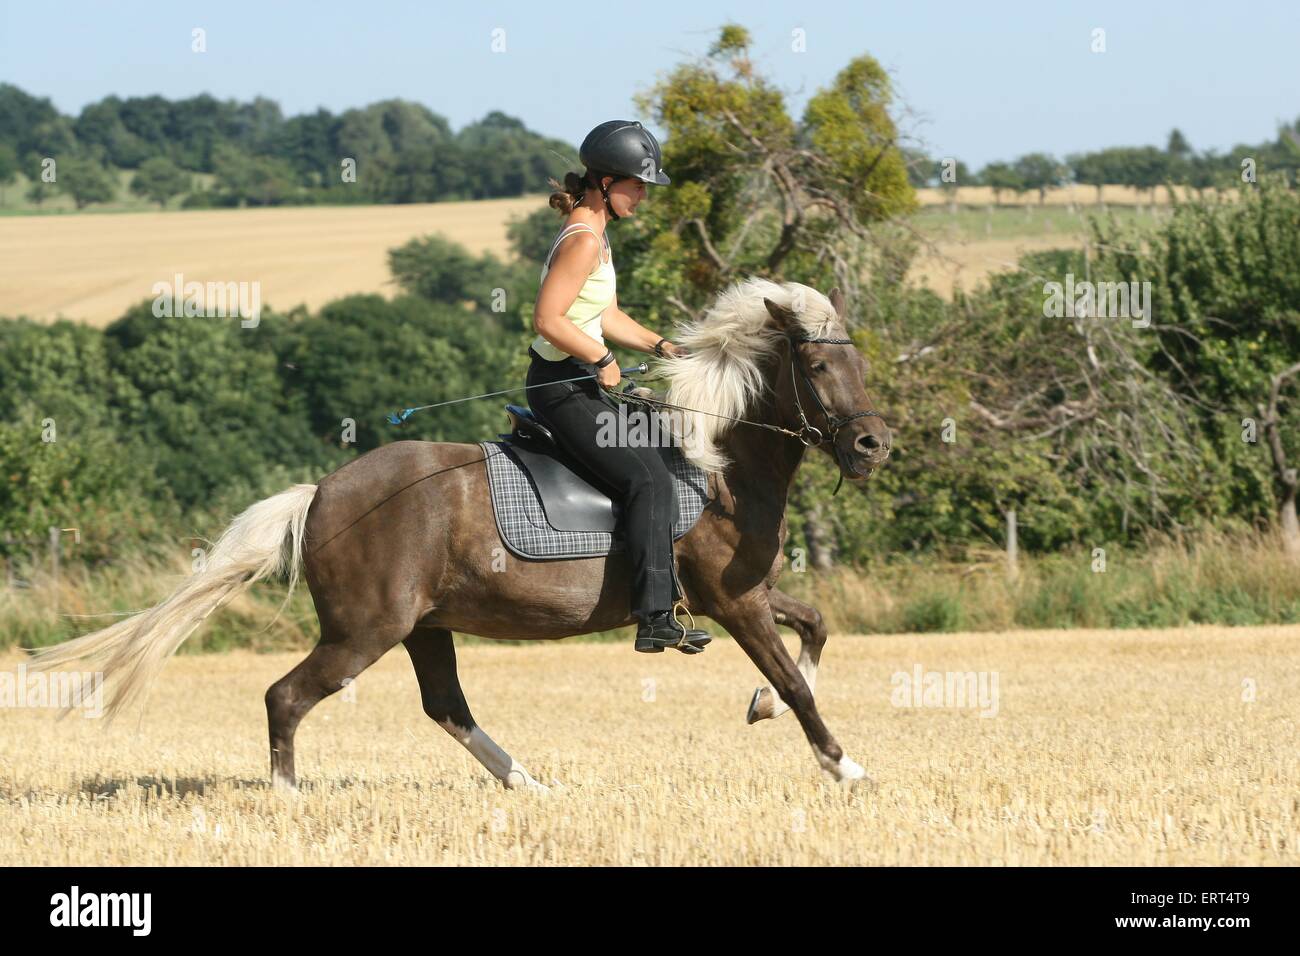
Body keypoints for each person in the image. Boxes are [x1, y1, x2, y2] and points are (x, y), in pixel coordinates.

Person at [526, 120, 710, 655]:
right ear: (605, 182)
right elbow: (548, 319)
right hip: (563, 388)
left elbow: (604, 313)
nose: (644, 195)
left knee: (668, 442)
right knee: (650, 480)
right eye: (638, 184)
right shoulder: (583, 241)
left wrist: (662, 347)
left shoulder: (598, 237)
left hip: (582, 382)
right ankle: (655, 617)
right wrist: (600, 358)